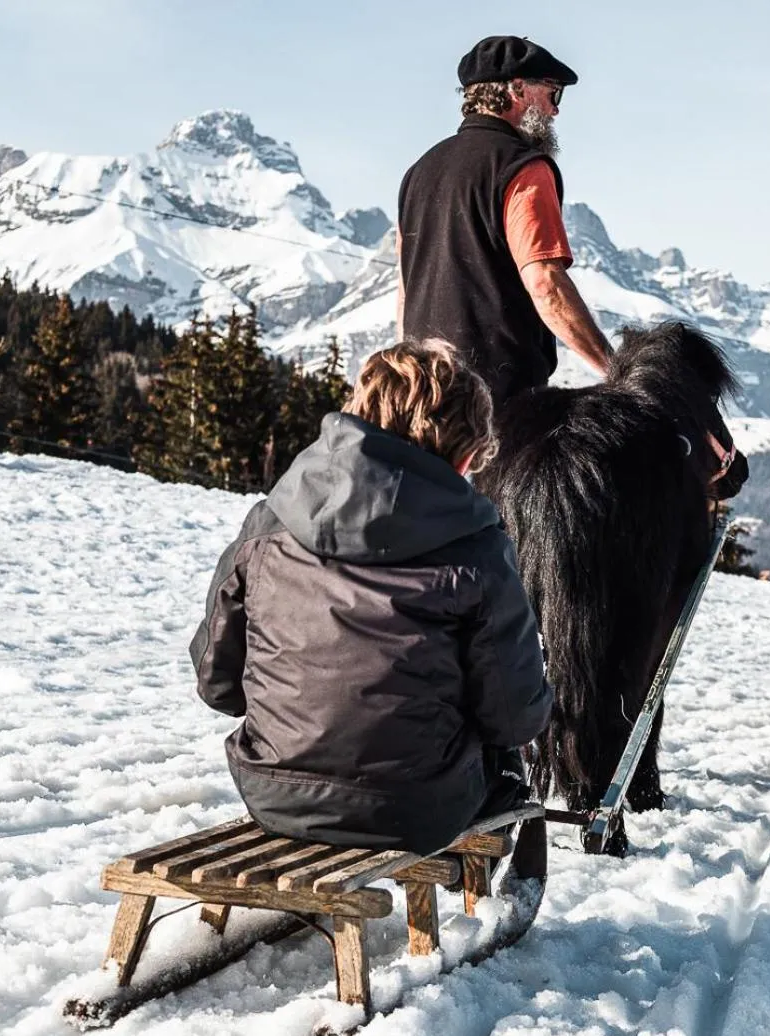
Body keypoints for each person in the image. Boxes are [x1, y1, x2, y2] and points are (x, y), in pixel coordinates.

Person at [190, 339, 552, 852]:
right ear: (464, 453)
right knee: (500, 759)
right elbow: (514, 717)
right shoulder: (475, 548)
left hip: (273, 791)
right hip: (417, 809)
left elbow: (217, 684)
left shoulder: (269, 521)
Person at [397, 35, 612, 409]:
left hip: (424, 396)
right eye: (553, 94)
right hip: (500, 403)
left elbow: (405, 292)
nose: (555, 111)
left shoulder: (418, 172)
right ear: (517, 89)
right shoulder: (522, 167)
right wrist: (614, 368)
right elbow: (545, 285)